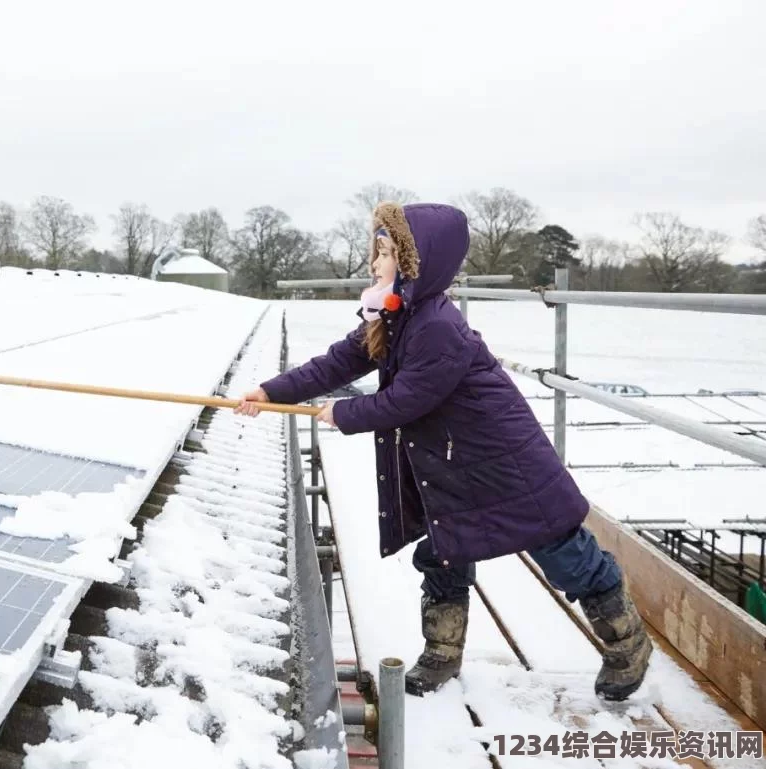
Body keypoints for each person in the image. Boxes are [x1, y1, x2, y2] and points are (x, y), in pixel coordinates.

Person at [236, 202, 652, 701]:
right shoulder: (393, 314)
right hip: (455, 463)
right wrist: (272, 391)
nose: (375, 263)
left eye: (386, 253)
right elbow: (338, 361)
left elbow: (409, 398)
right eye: (377, 252)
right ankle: (442, 653)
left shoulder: (436, 324)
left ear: (416, 263)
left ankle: (628, 645)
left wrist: (344, 414)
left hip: (504, 462)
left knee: (564, 553)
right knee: (442, 549)